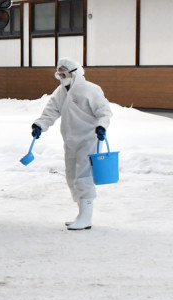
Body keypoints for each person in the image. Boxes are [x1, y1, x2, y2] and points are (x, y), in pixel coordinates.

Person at [31, 57, 112, 230]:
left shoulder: (90, 89)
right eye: (58, 74)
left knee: (84, 176)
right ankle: (81, 213)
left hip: (89, 139)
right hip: (70, 141)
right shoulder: (60, 92)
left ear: (74, 73)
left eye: (64, 73)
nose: (61, 77)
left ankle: (86, 217)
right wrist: (40, 125)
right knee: (72, 176)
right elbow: (51, 111)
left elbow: (104, 111)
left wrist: (101, 126)